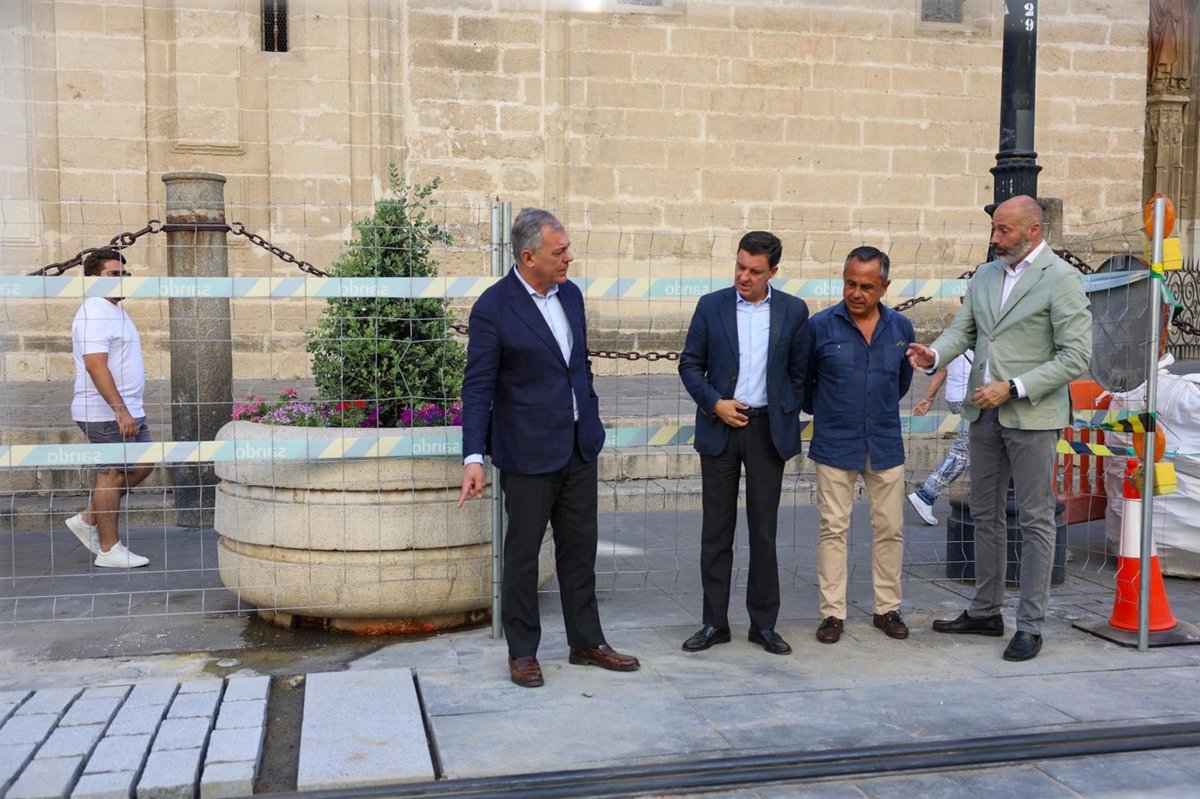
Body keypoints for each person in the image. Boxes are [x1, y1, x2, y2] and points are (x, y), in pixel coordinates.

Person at [457, 208, 639, 688]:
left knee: (579, 550)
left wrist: (589, 411)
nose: (569, 258)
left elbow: (579, 364)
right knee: (522, 555)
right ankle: (522, 651)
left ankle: (586, 641)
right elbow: (477, 387)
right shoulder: (494, 307)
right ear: (528, 257)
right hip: (527, 452)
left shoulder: (570, 295)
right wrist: (473, 456)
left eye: (567, 249)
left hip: (578, 446)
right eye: (560, 252)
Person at [907, 195, 1092, 662]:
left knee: (1035, 519)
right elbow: (964, 331)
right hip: (983, 413)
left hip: (1032, 415)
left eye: (1004, 230)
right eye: (993, 229)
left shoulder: (1062, 279)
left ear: (1033, 230)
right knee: (985, 514)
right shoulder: (986, 276)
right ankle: (986, 611)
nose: (995, 238)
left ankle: (1030, 625)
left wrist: (1013, 387)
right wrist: (935, 354)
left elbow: (1075, 356)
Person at [678, 231, 811, 656]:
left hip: (766, 431)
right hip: (720, 427)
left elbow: (799, 372)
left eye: (754, 271)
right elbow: (690, 365)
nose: (744, 277)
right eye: (739, 267)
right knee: (716, 532)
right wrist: (715, 403)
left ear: (773, 271)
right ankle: (714, 623)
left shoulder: (793, 310)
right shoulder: (711, 306)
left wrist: (783, 408)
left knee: (764, 532)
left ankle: (764, 625)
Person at [804, 246, 914, 645]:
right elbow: (805, 384)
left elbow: (901, 382)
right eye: (850, 283)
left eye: (867, 286)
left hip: (884, 442)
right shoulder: (820, 327)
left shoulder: (901, 328)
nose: (856, 293)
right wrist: (834, 411)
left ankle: (887, 609)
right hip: (835, 443)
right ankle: (832, 614)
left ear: (884, 287)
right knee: (833, 529)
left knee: (890, 528)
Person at [67, 248, 153, 568]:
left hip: (130, 409)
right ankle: (109, 549)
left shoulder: (115, 309)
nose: (121, 279)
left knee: (144, 463)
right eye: (112, 275)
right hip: (104, 412)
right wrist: (119, 409)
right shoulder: (93, 313)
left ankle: (89, 518)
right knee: (111, 475)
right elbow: (96, 366)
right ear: (93, 279)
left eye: (123, 274)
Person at [907, 350, 973, 525]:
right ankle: (926, 494)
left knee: (977, 447)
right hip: (968, 397)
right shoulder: (977, 337)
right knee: (965, 450)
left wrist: (928, 398)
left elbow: (942, 368)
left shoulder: (954, 341)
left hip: (957, 395)